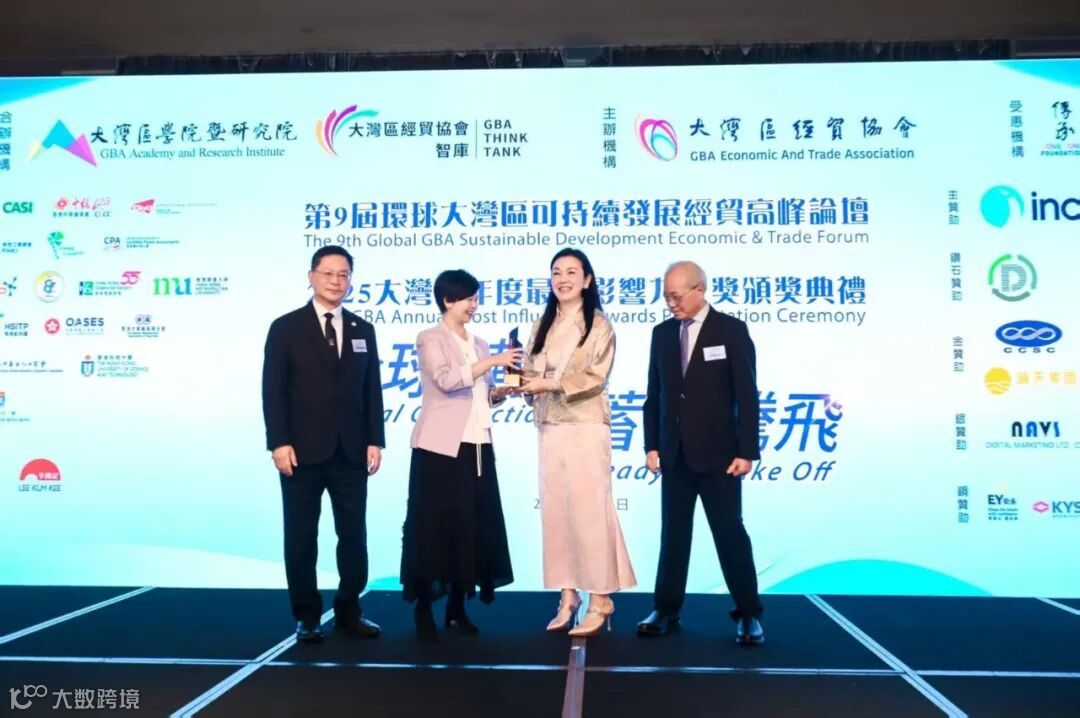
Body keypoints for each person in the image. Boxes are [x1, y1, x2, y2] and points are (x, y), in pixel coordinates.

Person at [261, 246, 385, 644]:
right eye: (328, 273)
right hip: (301, 452)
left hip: (352, 451)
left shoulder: (363, 329)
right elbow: (273, 390)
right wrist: (279, 442)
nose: (336, 281)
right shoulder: (286, 327)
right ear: (311, 276)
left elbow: (372, 389)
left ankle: (349, 610)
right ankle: (307, 616)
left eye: (343, 274)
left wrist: (375, 440)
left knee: (354, 537)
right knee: (301, 537)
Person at [638, 260, 765, 646]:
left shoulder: (730, 330)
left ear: (700, 290)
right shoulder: (662, 333)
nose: (671, 304)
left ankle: (748, 613)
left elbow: (747, 394)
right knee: (673, 536)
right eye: (666, 296)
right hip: (675, 455)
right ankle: (666, 608)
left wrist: (748, 450)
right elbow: (654, 393)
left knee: (730, 534)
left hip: (721, 457)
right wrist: (651, 444)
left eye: (677, 296)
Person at [521, 248, 636, 637]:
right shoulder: (542, 324)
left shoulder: (599, 324)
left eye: (572, 272)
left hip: (585, 426)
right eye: (556, 272)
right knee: (557, 513)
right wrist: (515, 385)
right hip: (549, 427)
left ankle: (600, 598)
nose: (563, 279)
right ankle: (567, 595)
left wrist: (549, 383)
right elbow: (530, 373)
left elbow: (595, 376)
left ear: (587, 280)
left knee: (590, 513)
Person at [401, 269, 519, 640]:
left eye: (476, 298)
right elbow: (448, 380)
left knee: (470, 529)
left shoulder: (479, 344)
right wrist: (493, 362)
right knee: (434, 529)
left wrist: (501, 392)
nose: (474, 305)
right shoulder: (430, 338)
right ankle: (424, 606)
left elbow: (481, 393)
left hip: (477, 446)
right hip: (439, 449)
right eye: (468, 298)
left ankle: (457, 607)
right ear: (448, 300)